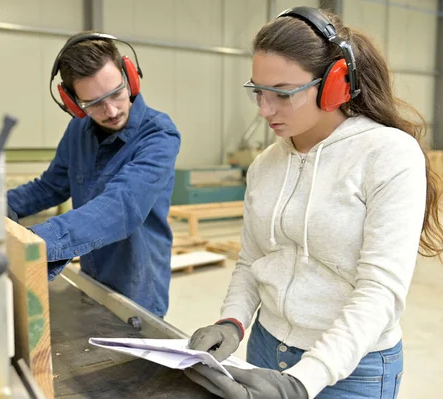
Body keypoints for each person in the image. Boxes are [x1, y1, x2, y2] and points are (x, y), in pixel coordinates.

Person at [185, 6, 443, 399]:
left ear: (335, 85)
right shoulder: (264, 166)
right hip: (265, 351)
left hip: (351, 369)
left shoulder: (388, 155)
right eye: (257, 90)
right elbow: (252, 261)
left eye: (282, 94)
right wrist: (232, 322)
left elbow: (379, 291)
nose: (264, 110)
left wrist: (303, 382)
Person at [0, 32, 181, 318]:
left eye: (116, 93)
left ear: (130, 77)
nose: (112, 110)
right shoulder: (79, 131)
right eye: (94, 103)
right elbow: (49, 187)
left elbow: (121, 207)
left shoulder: (158, 134)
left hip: (138, 283)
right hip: (92, 275)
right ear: (72, 103)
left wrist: (33, 241)